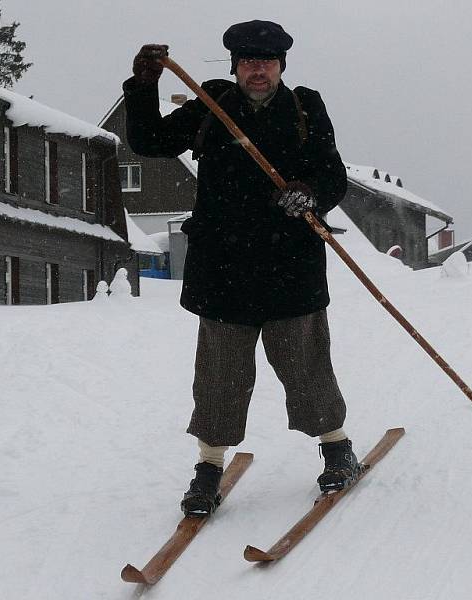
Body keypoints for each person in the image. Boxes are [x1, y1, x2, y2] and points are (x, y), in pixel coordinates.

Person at [123, 20, 360, 517]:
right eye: (249, 61)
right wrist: (145, 86)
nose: (258, 69)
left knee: (305, 365)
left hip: (289, 264)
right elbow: (150, 141)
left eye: (267, 61)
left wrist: (309, 193)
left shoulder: (304, 108)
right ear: (235, 66)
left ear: (281, 67)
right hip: (223, 267)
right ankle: (209, 467)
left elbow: (331, 173)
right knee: (219, 376)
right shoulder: (211, 105)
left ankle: (337, 446)